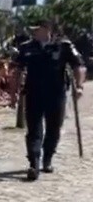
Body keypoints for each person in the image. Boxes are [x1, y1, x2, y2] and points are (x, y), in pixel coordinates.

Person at [12, 20, 84, 181]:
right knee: (34, 129)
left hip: (56, 94)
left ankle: (47, 159)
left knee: (54, 128)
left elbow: (78, 66)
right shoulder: (27, 47)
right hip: (34, 93)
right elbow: (17, 69)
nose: (33, 32)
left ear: (47, 29)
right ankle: (34, 163)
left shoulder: (64, 46)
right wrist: (14, 92)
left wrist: (79, 86)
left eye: (36, 29)